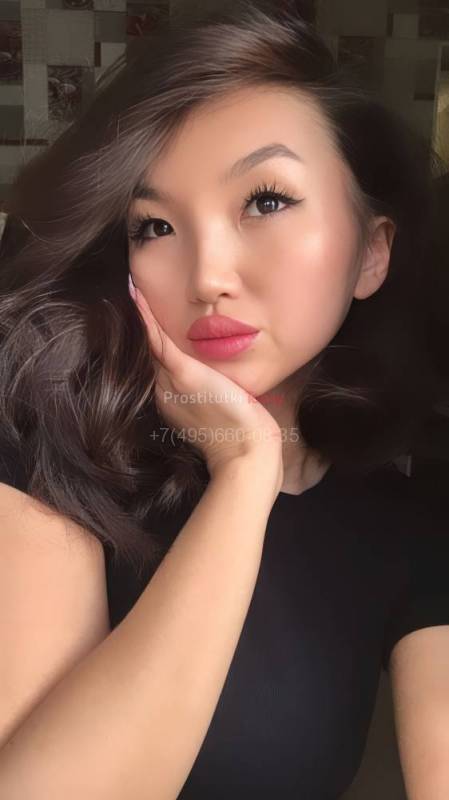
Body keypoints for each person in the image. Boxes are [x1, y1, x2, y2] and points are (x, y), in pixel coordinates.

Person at [0, 2, 448, 797]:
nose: (207, 274)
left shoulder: (402, 525)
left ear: (370, 253)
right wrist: (243, 473)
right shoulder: (49, 454)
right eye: (153, 226)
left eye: (265, 201)